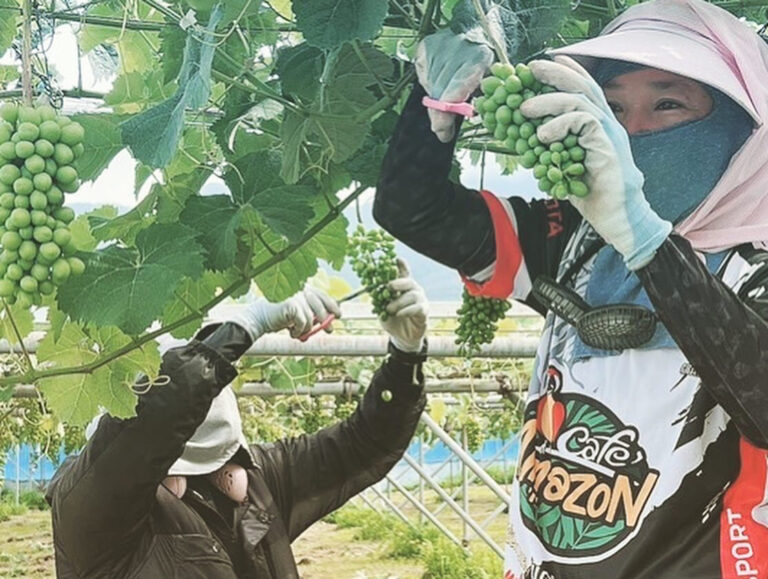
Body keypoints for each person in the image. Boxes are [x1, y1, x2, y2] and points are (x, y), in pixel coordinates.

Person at [374, 0, 768, 577]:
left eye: (667, 104)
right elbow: (413, 209)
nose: (631, 133)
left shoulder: (756, 265)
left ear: (743, 124)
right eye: (612, 108)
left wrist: (651, 245)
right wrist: (433, 107)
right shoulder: (577, 244)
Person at [46, 273, 429, 578]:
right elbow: (151, 425)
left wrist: (406, 357)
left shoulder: (260, 479)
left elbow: (364, 446)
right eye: (201, 362)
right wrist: (245, 325)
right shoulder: (87, 500)